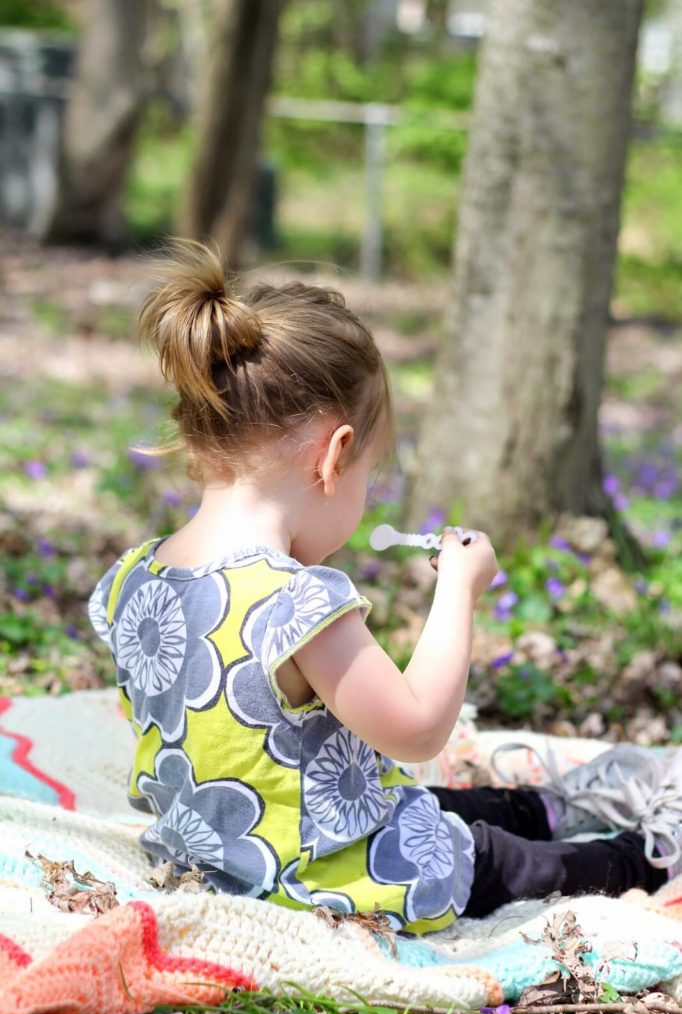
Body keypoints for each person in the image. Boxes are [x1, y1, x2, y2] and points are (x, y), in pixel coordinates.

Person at [89, 240, 681, 934]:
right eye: (371, 472)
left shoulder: (131, 578)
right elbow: (417, 728)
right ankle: (647, 852)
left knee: (443, 807)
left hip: (219, 855)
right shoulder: (295, 603)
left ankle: (556, 805)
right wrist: (457, 590)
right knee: (495, 856)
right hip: (330, 878)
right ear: (336, 456)